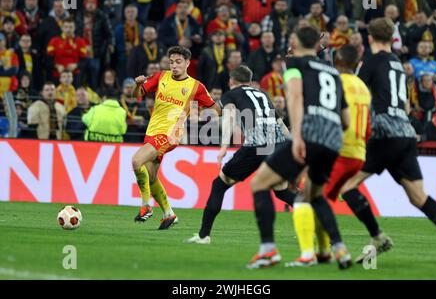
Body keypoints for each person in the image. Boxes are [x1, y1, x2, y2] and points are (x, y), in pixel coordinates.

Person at [246, 26, 352, 270]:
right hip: (333, 139)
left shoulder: (295, 65)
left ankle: (268, 250)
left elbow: (294, 97)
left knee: (259, 183)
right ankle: (339, 248)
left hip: (309, 135)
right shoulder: (333, 72)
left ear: (294, 40)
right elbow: (346, 119)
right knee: (314, 195)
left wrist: (298, 137)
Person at [340, 18, 436, 263]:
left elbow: (356, 95)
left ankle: (378, 237)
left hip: (384, 134)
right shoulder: (398, 63)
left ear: (370, 38)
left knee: (347, 186)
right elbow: (406, 103)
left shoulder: (370, 62)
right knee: (418, 197)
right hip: (405, 133)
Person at [185, 65, 293, 245]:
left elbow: (228, 119)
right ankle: (322, 229)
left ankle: (204, 236)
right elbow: (279, 123)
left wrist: (223, 148)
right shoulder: (263, 94)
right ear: (250, 81)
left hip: (255, 145)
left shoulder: (231, 94)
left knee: (219, 185)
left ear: (231, 81)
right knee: (282, 192)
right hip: (278, 144)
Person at [289, 44, 373, 266]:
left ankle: (310, 254)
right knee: (318, 199)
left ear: (337, 61)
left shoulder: (337, 81)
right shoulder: (363, 87)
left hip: (337, 149)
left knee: (303, 200)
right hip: (358, 153)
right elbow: (367, 127)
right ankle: (324, 251)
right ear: (357, 63)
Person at [132, 46, 221, 230]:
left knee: (136, 161)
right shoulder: (160, 76)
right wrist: (138, 85)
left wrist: (206, 110)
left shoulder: (196, 86)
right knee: (150, 177)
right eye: (172, 62)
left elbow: (215, 109)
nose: (174, 65)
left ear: (188, 63)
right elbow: (138, 96)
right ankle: (168, 213)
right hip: (153, 131)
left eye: (178, 62)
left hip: (171, 134)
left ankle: (146, 205)